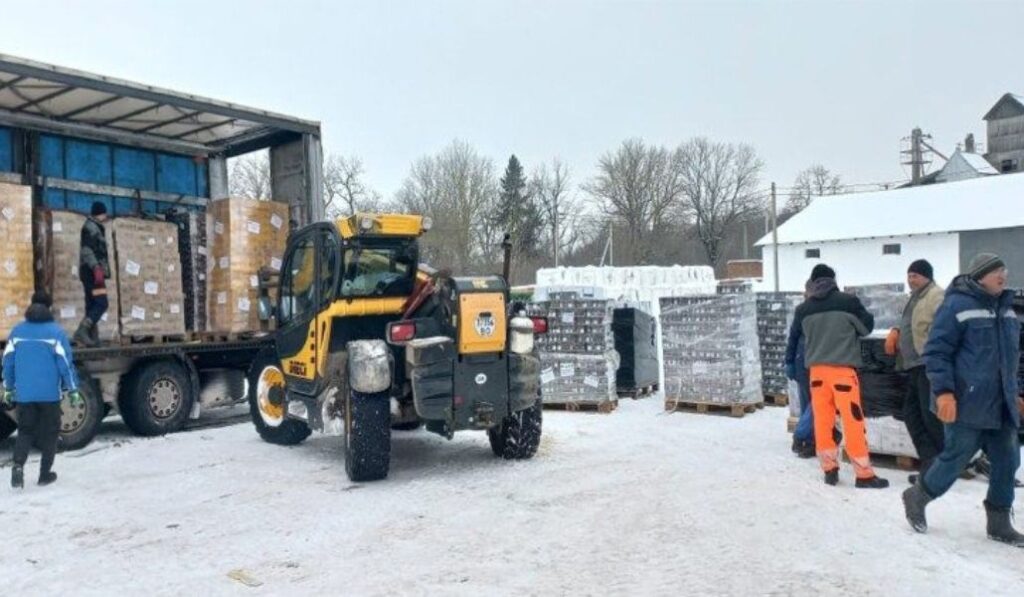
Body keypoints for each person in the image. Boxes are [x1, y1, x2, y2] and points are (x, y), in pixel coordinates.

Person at [902, 253, 1024, 546]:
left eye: (1004, 270)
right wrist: (944, 392)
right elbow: (936, 352)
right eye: (997, 271)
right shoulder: (956, 305)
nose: (1002, 276)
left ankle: (999, 521)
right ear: (980, 275)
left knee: (1008, 461)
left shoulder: (1007, 309)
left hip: (1002, 404)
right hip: (966, 402)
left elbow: (1014, 357)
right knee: (956, 458)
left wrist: (1017, 391)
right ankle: (918, 495)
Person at [791, 263, 888, 488]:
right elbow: (867, 328)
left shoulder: (803, 309)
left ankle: (829, 470)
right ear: (833, 279)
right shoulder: (847, 302)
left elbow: (800, 336)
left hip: (816, 373)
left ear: (813, 282)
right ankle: (863, 474)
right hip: (843, 372)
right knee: (852, 421)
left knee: (823, 422)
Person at [1, 291, 82, 489]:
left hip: (25, 395)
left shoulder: (17, 332)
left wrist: (8, 388)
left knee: (25, 430)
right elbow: (65, 364)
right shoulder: (56, 333)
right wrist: (73, 390)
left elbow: (8, 362)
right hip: (49, 395)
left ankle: (18, 466)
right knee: (50, 433)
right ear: (50, 308)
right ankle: (45, 474)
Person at [884, 259, 945, 483]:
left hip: (928, 364)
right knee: (912, 414)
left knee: (930, 417)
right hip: (912, 365)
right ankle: (931, 461)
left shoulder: (936, 296)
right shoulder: (915, 297)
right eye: (909, 275)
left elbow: (943, 327)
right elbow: (909, 321)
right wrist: (896, 330)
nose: (911, 279)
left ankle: (940, 468)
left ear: (927, 276)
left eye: (915, 276)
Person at [74, 201, 110, 347]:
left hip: (91, 273)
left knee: (91, 304)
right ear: (101, 213)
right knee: (102, 303)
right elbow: (86, 250)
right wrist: (96, 268)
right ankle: (82, 331)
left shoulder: (94, 227)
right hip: (93, 274)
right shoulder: (91, 227)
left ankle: (92, 338)